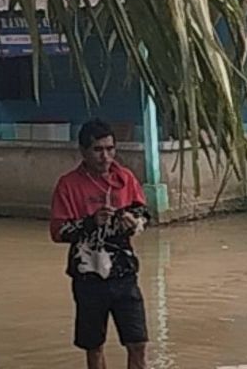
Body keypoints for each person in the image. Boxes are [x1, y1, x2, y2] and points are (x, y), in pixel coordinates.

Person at [50, 118, 151, 369]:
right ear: (83, 152)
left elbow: (144, 216)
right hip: (88, 278)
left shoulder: (125, 178)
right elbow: (58, 232)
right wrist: (90, 222)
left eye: (110, 149)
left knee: (137, 342)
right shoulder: (68, 185)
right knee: (94, 346)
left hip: (124, 273)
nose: (105, 157)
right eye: (98, 150)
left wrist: (134, 221)